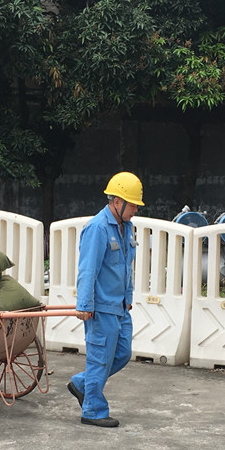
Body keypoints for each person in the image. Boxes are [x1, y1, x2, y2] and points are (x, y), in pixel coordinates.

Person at [66, 171, 144, 428]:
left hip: (120, 306)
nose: (135, 210)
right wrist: (85, 305)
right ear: (117, 201)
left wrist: (129, 296)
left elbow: (127, 266)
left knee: (122, 353)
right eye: (132, 205)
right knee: (100, 358)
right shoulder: (97, 228)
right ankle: (93, 410)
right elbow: (88, 270)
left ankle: (81, 383)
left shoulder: (127, 227)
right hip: (100, 308)